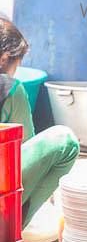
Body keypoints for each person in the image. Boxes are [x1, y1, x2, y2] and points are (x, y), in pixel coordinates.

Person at [0, 18, 79, 230]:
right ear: (5, 58)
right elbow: (24, 148)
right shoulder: (10, 88)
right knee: (66, 141)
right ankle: (13, 229)